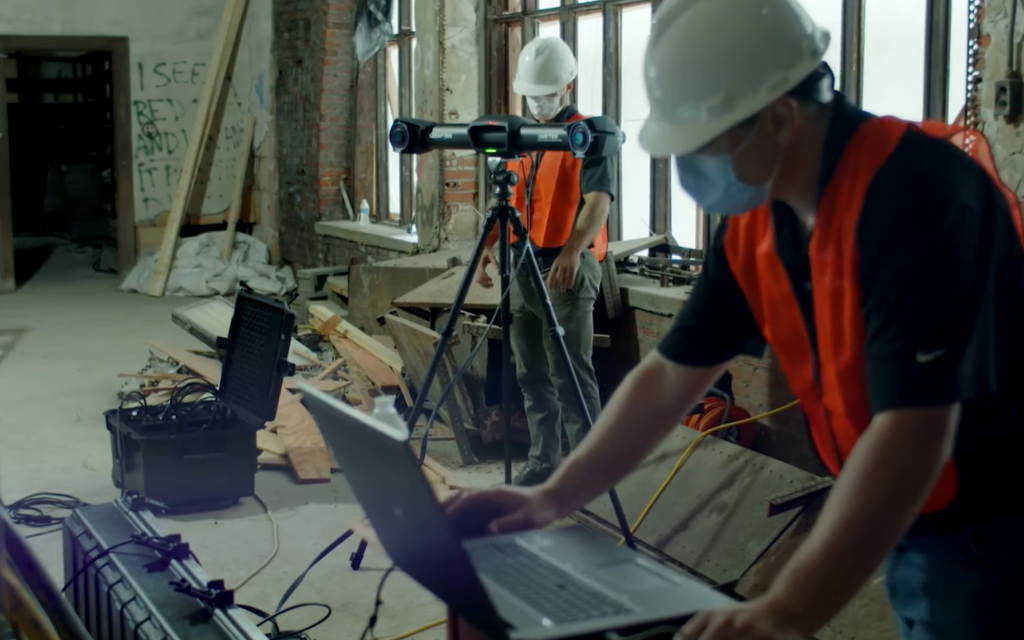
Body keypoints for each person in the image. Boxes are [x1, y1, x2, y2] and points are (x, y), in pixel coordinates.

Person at [447, 0, 1024, 638]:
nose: (693, 169)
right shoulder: (758, 222)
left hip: (992, 525)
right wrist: (552, 497)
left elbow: (912, 440)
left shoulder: (924, 200)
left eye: (702, 145)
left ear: (777, 117)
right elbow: (669, 378)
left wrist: (784, 610)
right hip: (914, 514)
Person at [474, 37, 615, 487]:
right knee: (531, 374)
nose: (539, 103)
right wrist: (485, 251)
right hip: (522, 264)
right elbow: (507, 196)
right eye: (532, 95)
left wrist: (574, 251)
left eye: (547, 93)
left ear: (568, 86)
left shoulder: (588, 135)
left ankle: (588, 471)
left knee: (570, 375)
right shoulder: (519, 136)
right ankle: (544, 461)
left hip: (565, 268)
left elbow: (598, 203)